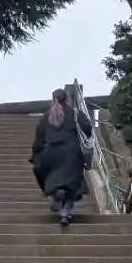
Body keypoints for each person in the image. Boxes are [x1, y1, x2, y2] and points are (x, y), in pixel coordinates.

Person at [32, 88, 88, 228]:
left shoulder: (45, 117)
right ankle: (66, 213)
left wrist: (35, 156)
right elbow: (88, 129)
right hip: (71, 153)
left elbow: (38, 141)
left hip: (50, 154)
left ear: (53, 99)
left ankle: (57, 193)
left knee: (54, 180)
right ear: (67, 99)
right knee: (71, 185)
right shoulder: (76, 114)